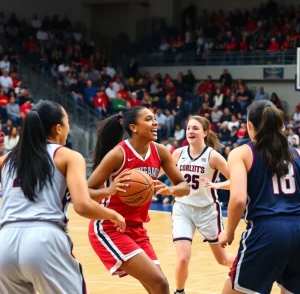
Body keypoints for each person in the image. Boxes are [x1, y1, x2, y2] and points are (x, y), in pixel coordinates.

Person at [0, 100, 125, 294]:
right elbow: (82, 205)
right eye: (67, 122)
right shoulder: (68, 156)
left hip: (4, 242)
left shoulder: (6, 159)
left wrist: (106, 192)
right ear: (58, 128)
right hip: (44, 239)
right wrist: (112, 214)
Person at [87, 106, 190, 294]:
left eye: (154, 118)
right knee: (161, 284)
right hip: (110, 227)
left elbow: (184, 187)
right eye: (149, 119)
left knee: (157, 288)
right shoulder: (119, 154)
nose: (155, 123)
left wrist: (170, 189)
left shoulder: (160, 152)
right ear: (134, 127)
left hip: (137, 229)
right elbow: (85, 191)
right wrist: (109, 190)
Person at [220, 100, 300, 294]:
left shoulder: (241, 153)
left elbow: (238, 199)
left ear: (249, 125)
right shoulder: (296, 153)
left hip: (267, 231)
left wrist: (228, 232)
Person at [171, 115, 235, 294]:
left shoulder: (213, 156)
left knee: (222, 260)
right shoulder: (178, 153)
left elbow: (237, 181)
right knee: (183, 258)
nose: (190, 131)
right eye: (189, 127)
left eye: (195, 128)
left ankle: (247, 267)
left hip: (207, 211)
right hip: (183, 209)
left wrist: (218, 185)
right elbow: (156, 172)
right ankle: (179, 291)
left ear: (205, 133)